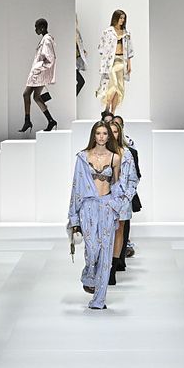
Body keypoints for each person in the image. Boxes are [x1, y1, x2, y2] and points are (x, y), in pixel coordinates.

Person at [67, 121, 123, 310]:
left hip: (107, 206)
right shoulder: (83, 157)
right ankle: (89, 275)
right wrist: (74, 218)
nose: (101, 137)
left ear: (109, 136)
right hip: (88, 207)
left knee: (105, 251)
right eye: (98, 133)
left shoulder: (115, 158)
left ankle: (99, 299)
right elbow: (76, 187)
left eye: (105, 133)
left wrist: (116, 207)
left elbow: (117, 185)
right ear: (93, 135)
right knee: (92, 249)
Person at [108, 120, 139, 285]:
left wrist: (127, 197)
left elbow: (133, 178)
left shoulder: (127, 154)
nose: (112, 134)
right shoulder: (100, 153)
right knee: (106, 232)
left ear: (119, 133)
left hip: (123, 200)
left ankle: (113, 269)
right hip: (105, 199)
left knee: (119, 230)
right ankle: (104, 266)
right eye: (110, 131)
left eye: (115, 131)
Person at [19, 18, 58, 133]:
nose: (35, 30)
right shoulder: (45, 39)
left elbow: (50, 59)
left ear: (42, 28)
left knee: (26, 94)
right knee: (36, 97)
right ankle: (50, 120)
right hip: (39, 73)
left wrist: (38, 67)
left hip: (38, 74)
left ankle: (27, 121)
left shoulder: (46, 40)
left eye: (36, 27)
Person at [96, 10, 133, 115]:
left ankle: (112, 112)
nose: (122, 20)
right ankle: (107, 109)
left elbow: (129, 50)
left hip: (121, 61)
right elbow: (101, 47)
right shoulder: (108, 32)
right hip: (111, 62)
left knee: (119, 87)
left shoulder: (126, 33)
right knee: (113, 84)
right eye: (120, 18)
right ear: (115, 18)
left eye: (124, 18)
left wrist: (129, 64)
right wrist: (106, 58)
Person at [76, 15, 87, 96]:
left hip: (77, 61)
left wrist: (83, 52)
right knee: (81, 81)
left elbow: (80, 46)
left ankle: (73, 98)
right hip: (71, 62)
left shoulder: (77, 33)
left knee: (79, 82)